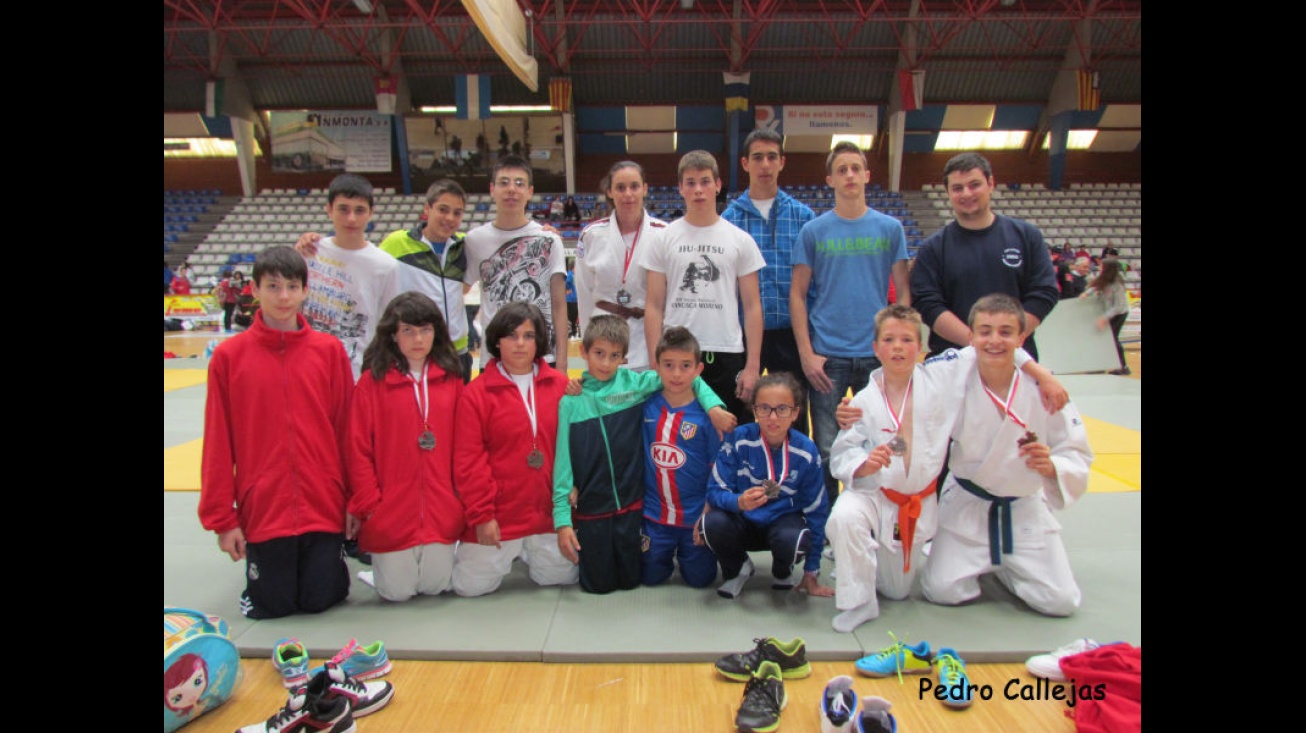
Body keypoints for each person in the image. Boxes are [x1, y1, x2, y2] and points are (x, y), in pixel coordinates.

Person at [826, 305, 1065, 633]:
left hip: (917, 502)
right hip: (875, 494)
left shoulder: (941, 378)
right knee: (844, 516)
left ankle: (860, 561)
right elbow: (842, 453)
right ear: (875, 348)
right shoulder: (860, 403)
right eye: (889, 339)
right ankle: (858, 600)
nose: (898, 346)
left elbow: (988, 345)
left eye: (907, 339)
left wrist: (1042, 374)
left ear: (921, 347)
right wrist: (863, 464)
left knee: (897, 590)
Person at [198, 245, 354, 619]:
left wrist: (355, 500)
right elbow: (219, 443)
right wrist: (224, 519)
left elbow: (347, 432)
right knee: (273, 607)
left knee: (322, 600)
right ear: (254, 289)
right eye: (273, 286)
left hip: (323, 504)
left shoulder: (329, 352)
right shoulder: (229, 358)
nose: (283, 297)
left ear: (305, 290)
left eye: (292, 286)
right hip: (264, 509)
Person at [918, 294, 1092, 617]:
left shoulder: (1046, 389)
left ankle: (1004, 565)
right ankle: (987, 559)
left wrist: (1052, 466)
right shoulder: (954, 374)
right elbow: (910, 381)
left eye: (1006, 332)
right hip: (968, 505)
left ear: (1021, 338)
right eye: (985, 331)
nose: (994, 340)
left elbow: (1077, 450)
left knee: (1061, 602)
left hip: (1023, 508)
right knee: (942, 590)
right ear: (971, 337)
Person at [552, 316, 732, 594]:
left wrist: (713, 407)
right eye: (598, 354)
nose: (605, 363)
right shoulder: (571, 400)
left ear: (624, 359)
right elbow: (562, 461)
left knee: (672, 580)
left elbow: (687, 378)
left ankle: (679, 550)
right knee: (600, 586)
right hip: (595, 505)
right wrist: (563, 518)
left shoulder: (635, 386)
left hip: (633, 505)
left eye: (614, 356)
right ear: (584, 352)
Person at [791, 141, 911, 503]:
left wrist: (899, 345)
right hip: (828, 356)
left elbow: (903, 294)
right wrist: (807, 354)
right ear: (830, 179)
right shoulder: (814, 232)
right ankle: (829, 527)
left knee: (882, 443)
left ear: (867, 175)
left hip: (877, 356)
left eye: (855, 168)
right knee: (827, 448)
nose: (849, 175)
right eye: (841, 170)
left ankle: (880, 518)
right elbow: (797, 294)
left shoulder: (890, 229)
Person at [345, 292, 466, 602]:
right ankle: (380, 572)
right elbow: (357, 449)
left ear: (436, 333)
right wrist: (369, 503)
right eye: (408, 331)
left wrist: (458, 498)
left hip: (441, 508)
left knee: (435, 586)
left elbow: (465, 445)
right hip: (390, 510)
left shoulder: (452, 380)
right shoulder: (372, 383)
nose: (418, 339)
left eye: (425, 330)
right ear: (393, 334)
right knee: (397, 593)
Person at [452, 302, 578, 596]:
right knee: (469, 588)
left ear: (539, 341)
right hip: (500, 517)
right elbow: (468, 462)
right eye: (512, 336)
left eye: (529, 336)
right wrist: (482, 516)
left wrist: (577, 486)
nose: (520, 344)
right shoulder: (475, 394)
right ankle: (486, 548)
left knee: (561, 578)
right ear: (497, 340)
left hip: (548, 517)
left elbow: (579, 446)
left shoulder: (562, 387)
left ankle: (528, 552)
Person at [297, 180, 476, 381]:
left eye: (457, 213)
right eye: (443, 209)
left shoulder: (465, 245)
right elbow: (360, 260)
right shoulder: (396, 243)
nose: (449, 218)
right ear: (427, 208)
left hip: (456, 351)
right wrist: (311, 241)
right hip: (415, 350)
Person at [641, 150, 766, 422]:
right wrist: (654, 362)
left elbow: (753, 306)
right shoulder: (662, 240)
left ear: (718, 185)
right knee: (682, 437)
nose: (698, 189)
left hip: (727, 352)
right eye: (690, 182)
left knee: (729, 435)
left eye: (705, 181)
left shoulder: (740, 240)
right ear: (680, 188)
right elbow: (653, 305)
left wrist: (753, 365)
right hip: (677, 353)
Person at [910, 152, 1059, 360]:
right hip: (954, 364)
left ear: (990, 184)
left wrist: (1006, 339)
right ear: (948, 192)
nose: (966, 193)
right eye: (957, 188)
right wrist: (978, 342)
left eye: (974, 185)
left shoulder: (1026, 236)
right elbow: (928, 305)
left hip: (1015, 359)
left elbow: (1044, 293)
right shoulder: (933, 249)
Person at [702, 372, 832, 600]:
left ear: (795, 413)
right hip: (743, 520)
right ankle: (739, 566)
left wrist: (812, 571)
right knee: (711, 523)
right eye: (764, 408)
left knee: (795, 539)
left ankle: (783, 570)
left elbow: (817, 512)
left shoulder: (806, 451)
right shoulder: (738, 439)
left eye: (782, 409)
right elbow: (714, 491)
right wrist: (738, 501)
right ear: (754, 410)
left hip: (782, 523)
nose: (772, 417)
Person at [722, 128, 817, 433]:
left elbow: (814, 281)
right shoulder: (729, 220)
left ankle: (794, 477)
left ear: (782, 162)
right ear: (745, 163)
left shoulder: (803, 217)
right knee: (742, 414)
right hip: (743, 334)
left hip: (791, 333)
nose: (765, 164)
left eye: (771, 157)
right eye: (757, 157)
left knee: (794, 419)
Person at [641, 327, 732, 588]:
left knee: (701, 581)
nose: (677, 374)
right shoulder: (644, 405)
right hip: (654, 516)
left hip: (694, 518)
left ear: (698, 369)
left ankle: (694, 554)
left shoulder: (708, 417)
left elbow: (718, 470)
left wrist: (708, 513)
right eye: (668, 365)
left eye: (685, 366)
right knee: (649, 578)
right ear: (656, 366)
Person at [463, 156, 570, 368]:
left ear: (530, 191)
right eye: (504, 182)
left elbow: (559, 305)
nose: (512, 189)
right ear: (492, 189)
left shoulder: (549, 240)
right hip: (494, 360)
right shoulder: (474, 240)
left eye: (519, 183)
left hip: (542, 359)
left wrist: (563, 362)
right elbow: (457, 292)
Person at [299, 173, 403, 379]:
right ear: (329, 210)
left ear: (371, 213)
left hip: (356, 374)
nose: (351, 218)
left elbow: (389, 325)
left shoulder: (386, 266)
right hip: (306, 370)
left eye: (359, 210)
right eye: (343, 209)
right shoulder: (309, 252)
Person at [574, 161, 667, 371]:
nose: (628, 194)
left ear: (645, 189)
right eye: (620, 187)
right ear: (609, 191)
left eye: (634, 186)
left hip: (647, 338)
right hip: (603, 338)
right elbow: (584, 293)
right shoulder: (591, 235)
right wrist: (589, 344)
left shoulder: (663, 234)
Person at [1082, 262, 1131, 375]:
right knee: (1103, 339)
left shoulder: (1117, 284)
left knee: (1112, 339)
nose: (1099, 268)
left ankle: (1123, 366)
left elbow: (1118, 306)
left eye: (1102, 266)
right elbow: (1096, 286)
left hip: (1119, 314)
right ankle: (1102, 365)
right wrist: (1087, 293)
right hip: (1110, 312)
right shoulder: (1105, 280)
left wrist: (1104, 318)